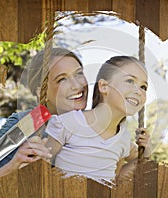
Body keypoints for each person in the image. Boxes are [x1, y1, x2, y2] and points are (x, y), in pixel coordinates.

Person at [0, 47, 89, 180]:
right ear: (42, 92)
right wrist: (14, 166)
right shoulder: (25, 122)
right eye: (62, 79)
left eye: (79, 74)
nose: (76, 85)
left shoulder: (98, 122)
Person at [45, 56, 149, 185]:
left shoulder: (124, 139)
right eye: (130, 81)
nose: (138, 91)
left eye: (143, 87)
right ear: (104, 86)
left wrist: (146, 150)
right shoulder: (68, 123)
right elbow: (41, 166)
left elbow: (118, 177)